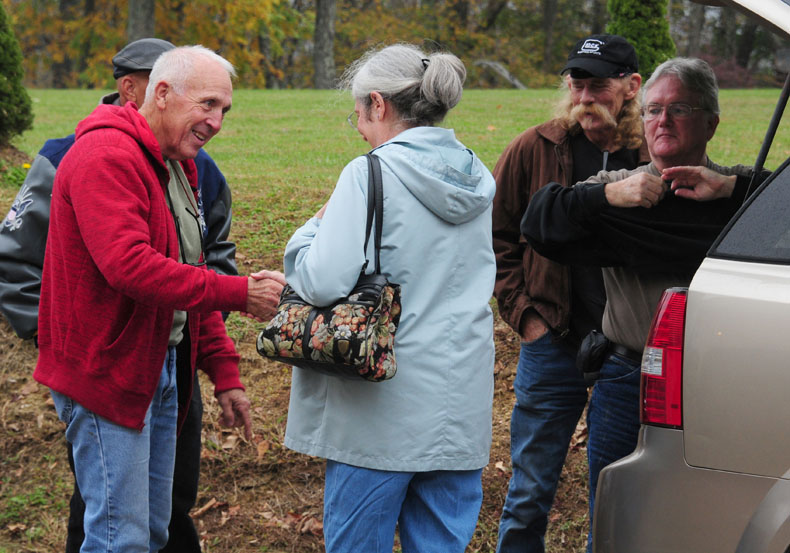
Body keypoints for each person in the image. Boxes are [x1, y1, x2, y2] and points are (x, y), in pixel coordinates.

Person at [32, 45, 284, 553]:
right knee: (117, 538)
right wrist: (240, 293)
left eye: (224, 110)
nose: (216, 122)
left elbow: (190, 272)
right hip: (109, 371)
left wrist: (224, 372)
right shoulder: (105, 156)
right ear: (162, 93)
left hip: (161, 367)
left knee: (152, 531)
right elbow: (130, 266)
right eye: (208, 104)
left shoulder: (177, 166)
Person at [521, 56, 770, 550]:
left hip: (717, 383)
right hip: (625, 380)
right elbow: (539, 220)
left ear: (711, 122)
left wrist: (732, 189)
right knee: (615, 521)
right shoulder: (616, 192)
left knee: (706, 515)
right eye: (654, 109)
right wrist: (610, 199)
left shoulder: (742, 194)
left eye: (680, 108)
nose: (663, 121)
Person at [281, 43, 496, 553]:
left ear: (378, 105)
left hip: (377, 410)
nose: (358, 126)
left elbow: (319, 282)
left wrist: (308, 232)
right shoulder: (477, 176)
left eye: (358, 113)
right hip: (459, 407)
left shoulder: (368, 173)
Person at [491, 34, 648, 553]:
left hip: (626, 351)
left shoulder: (656, 148)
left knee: (615, 488)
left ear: (631, 87)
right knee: (530, 489)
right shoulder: (535, 147)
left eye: (598, 85)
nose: (584, 97)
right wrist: (526, 318)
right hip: (552, 339)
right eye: (577, 84)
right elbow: (495, 237)